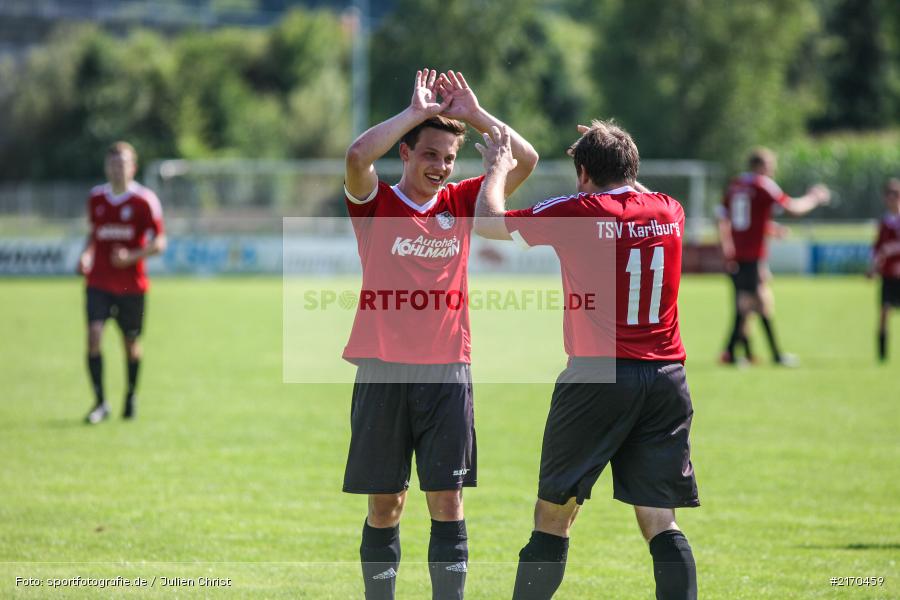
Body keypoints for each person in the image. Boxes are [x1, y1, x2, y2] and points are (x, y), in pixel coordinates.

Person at [473, 121, 699, 600]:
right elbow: (634, 191)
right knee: (660, 519)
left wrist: (497, 169)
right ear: (632, 168)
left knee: (553, 515)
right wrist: (614, 146)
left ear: (582, 173)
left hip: (597, 377)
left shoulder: (579, 211)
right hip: (666, 377)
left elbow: (488, 222)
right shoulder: (670, 211)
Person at [342, 69, 538, 600]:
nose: (441, 167)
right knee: (385, 503)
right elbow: (358, 156)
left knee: (447, 502)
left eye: (449, 159)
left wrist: (475, 114)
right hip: (382, 371)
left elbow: (526, 159)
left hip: (448, 370)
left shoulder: (465, 201)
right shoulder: (375, 205)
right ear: (405, 154)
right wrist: (417, 113)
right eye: (430, 154)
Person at [78, 142, 166, 424]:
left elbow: (160, 243)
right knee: (93, 337)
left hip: (132, 285)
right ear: (107, 167)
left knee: (130, 344)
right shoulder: (96, 198)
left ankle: (130, 394)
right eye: (113, 164)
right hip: (99, 281)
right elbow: (94, 235)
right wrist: (86, 255)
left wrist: (132, 256)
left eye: (123, 164)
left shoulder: (145, 201)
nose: (117, 169)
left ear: (133, 167)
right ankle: (100, 402)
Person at [717, 148, 830, 366]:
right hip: (750, 254)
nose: (773, 170)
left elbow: (733, 219)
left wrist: (728, 245)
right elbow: (793, 208)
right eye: (771, 166)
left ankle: (759, 354)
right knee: (748, 304)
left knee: (760, 302)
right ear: (761, 166)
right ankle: (733, 352)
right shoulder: (762, 184)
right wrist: (814, 197)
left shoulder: (736, 185)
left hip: (740, 253)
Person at [869, 178, 900, 362]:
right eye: (889, 195)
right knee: (884, 313)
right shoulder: (885, 223)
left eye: (896, 195)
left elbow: (887, 248)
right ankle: (882, 357)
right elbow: (877, 248)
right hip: (889, 275)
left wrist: (893, 248)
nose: (893, 199)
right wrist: (872, 268)